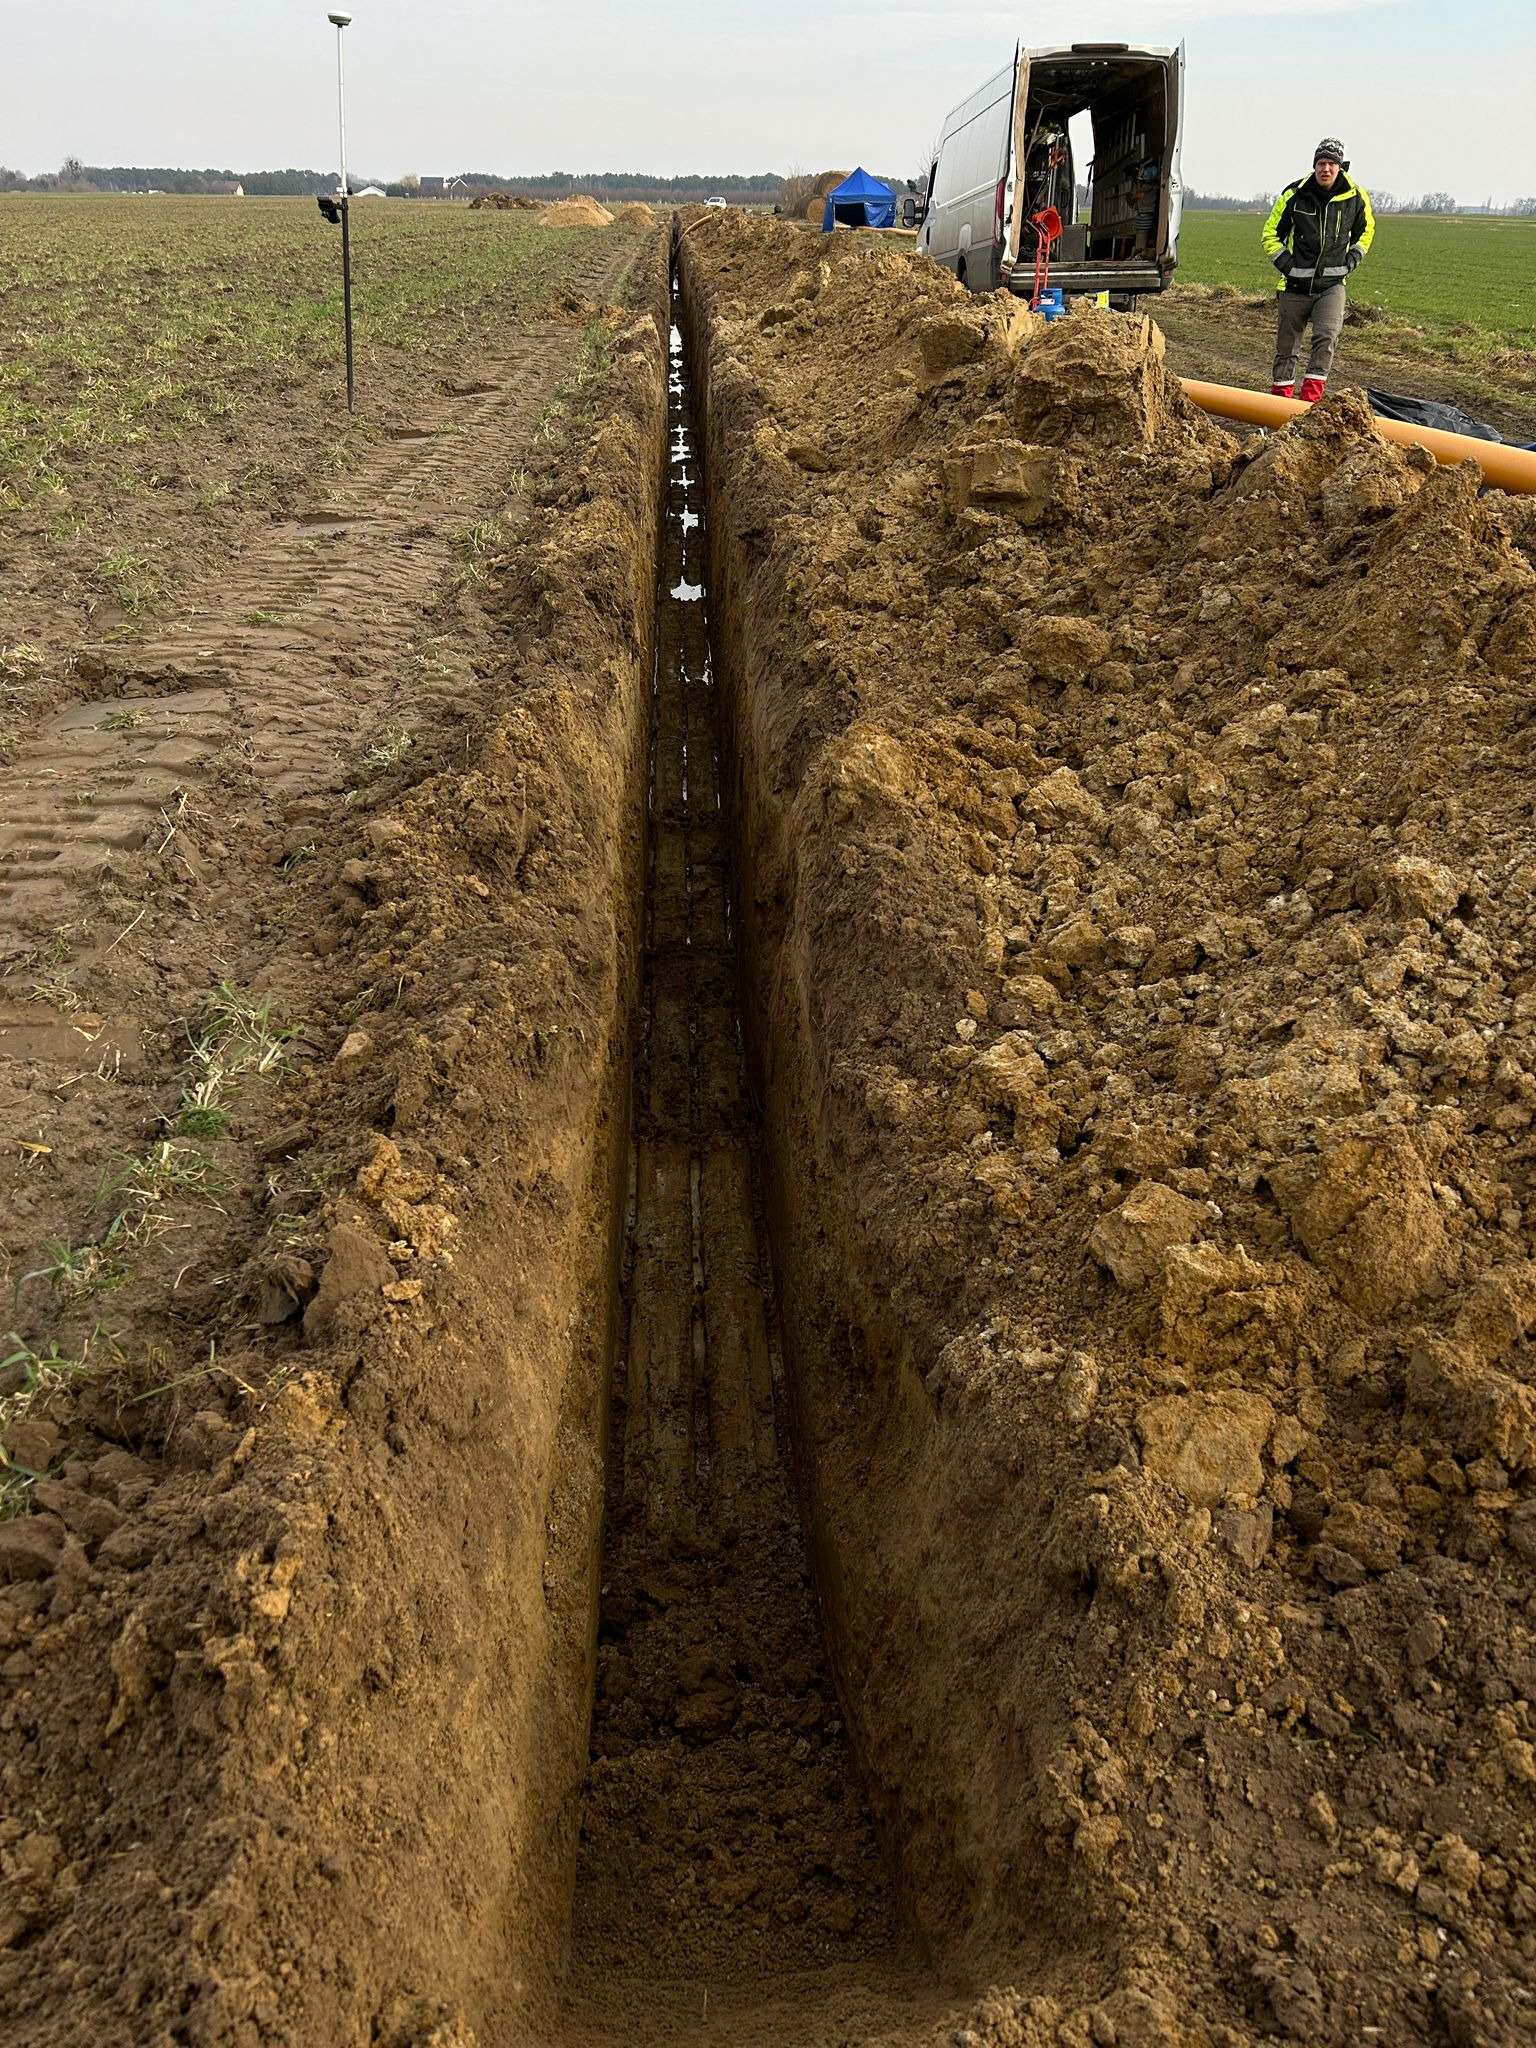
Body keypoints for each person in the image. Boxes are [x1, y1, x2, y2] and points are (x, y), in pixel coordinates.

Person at [1261, 139, 1375, 402]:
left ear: (1340, 167)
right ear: (1314, 166)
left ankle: (1309, 404)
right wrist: (1288, 266)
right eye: (1321, 163)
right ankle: (1279, 405)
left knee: (1326, 339)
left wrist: (1353, 258)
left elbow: (1366, 231)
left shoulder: (1355, 197)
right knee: (1287, 349)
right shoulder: (1294, 195)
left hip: (1332, 286)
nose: (1326, 168)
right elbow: (1270, 234)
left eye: (1332, 163)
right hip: (1294, 287)